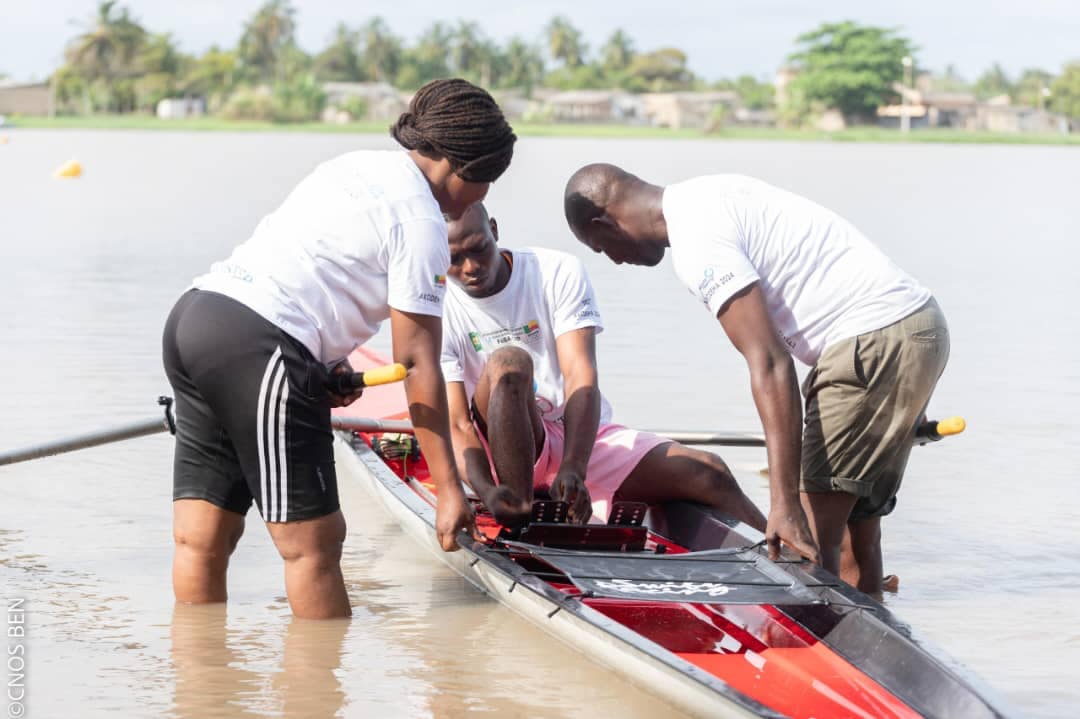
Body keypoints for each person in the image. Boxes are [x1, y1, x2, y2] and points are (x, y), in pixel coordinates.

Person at [161, 79, 516, 619]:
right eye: (488, 180)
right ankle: (318, 697)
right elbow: (417, 364)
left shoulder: (353, 166)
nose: (484, 195)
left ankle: (200, 686)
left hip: (197, 316)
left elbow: (309, 269)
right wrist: (448, 488)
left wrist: (325, 362)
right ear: (464, 167)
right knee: (314, 548)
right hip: (259, 346)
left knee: (200, 538)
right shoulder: (422, 222)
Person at [563, 164, 949, 595]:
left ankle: (812, 649)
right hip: (914, 331)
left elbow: (769, 362)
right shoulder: (710, 191)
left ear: (604, 221)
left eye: (602, 248)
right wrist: (899, 384)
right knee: (858, 535)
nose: (615, 260)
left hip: (873, 343)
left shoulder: (697, 243)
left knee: (809, 549)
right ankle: (875, 633)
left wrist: (783, 505)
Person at [440, 202, 766, 532]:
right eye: (454, 258)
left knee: (709, 472)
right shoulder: (434, 307)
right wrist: (486, 492)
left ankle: (796, 561)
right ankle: (519, 511)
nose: (470, 267)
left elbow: (580, 375)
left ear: (494, 230)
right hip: (501, 446)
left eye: (479, 249)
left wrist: (574, 467)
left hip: (571, 433)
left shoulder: (556, 270)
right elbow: (456, 423)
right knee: (510, 362)